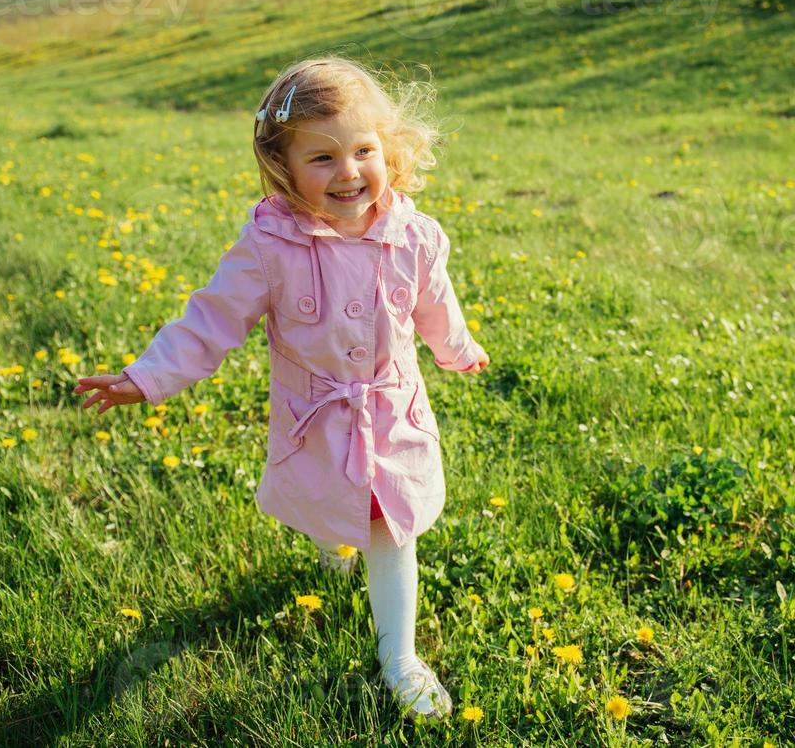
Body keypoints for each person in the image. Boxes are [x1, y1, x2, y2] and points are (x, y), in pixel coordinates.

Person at [73, 56, 488, 720]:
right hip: (317, 414)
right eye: (322, 158)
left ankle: (399, 658)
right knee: (332, 506)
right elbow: (211, 317)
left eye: (362, 150)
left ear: (386, 147)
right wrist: (148, 376)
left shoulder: (413, 235)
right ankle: (332, 547)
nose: (349, 172)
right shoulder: (271, 245)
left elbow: (436, 304)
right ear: (283, 166)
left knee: (392, 527)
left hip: (391, 408)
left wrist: (456, 349)